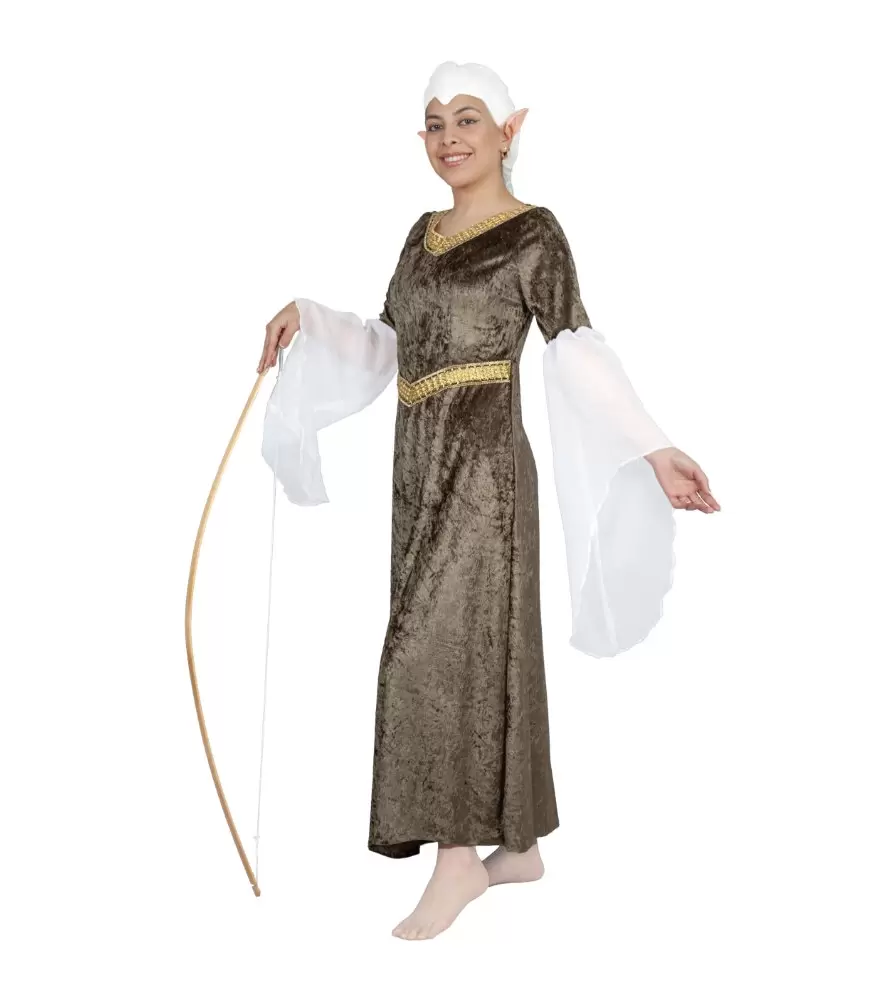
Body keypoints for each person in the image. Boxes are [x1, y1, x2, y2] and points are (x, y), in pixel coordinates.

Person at [256, 61, 719, 941]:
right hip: (417, 467)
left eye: (468, 119)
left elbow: (575, 347)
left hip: (484, 474)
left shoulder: (533, 234)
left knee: (431, 654)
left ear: (510, 130)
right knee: (469, 647)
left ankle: (459, 858)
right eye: (435, 123)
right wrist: (309, 316)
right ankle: (520, 847)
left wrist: (653, 446)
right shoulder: (420, 235)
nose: (450, 137)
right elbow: (389, 342)